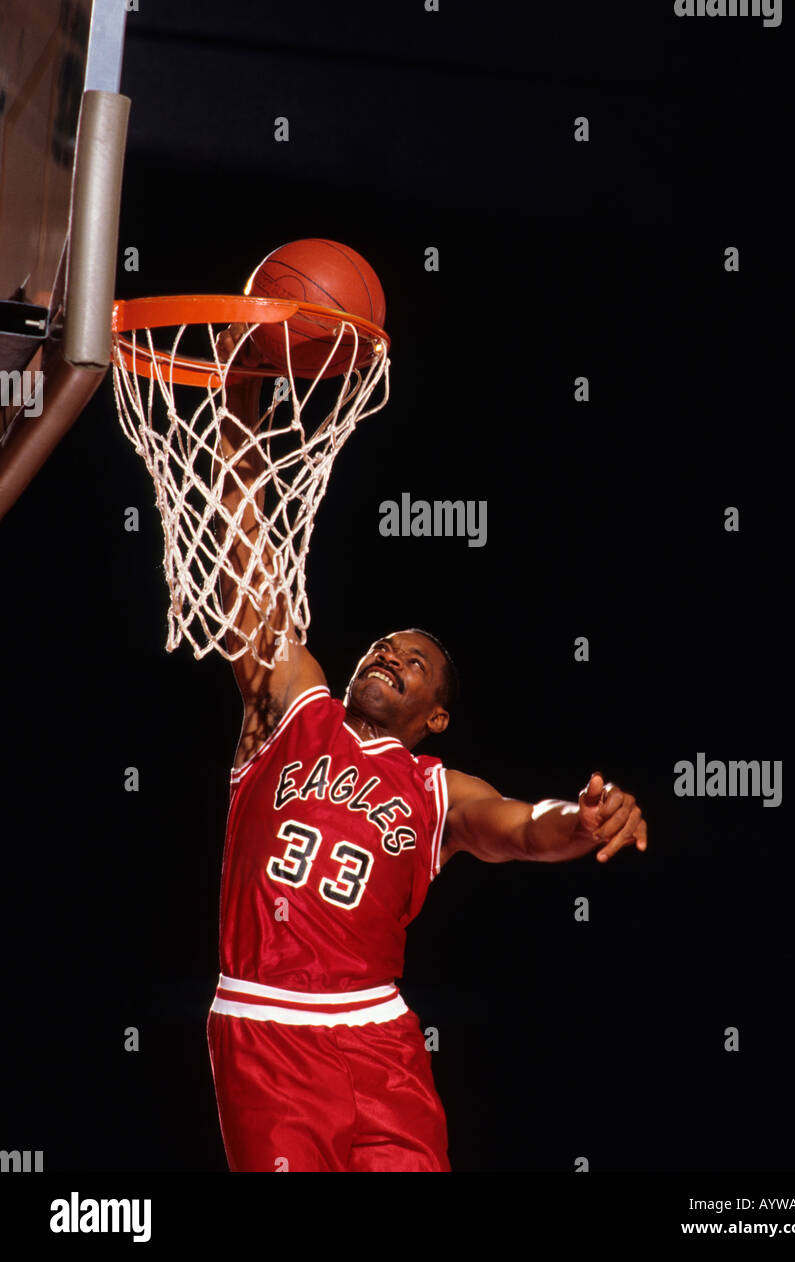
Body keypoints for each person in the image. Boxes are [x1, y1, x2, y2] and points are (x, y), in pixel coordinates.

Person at [206, 327, 648, 1172]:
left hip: (380, 1039)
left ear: (436, 717)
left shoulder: (437, 789)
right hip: (266, 1027)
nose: (387, 661)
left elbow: (523, 828)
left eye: (413, 665)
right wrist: (241, 397)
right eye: (382, 649)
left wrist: (585, 821)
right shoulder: (293, 711)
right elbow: (246, 554)